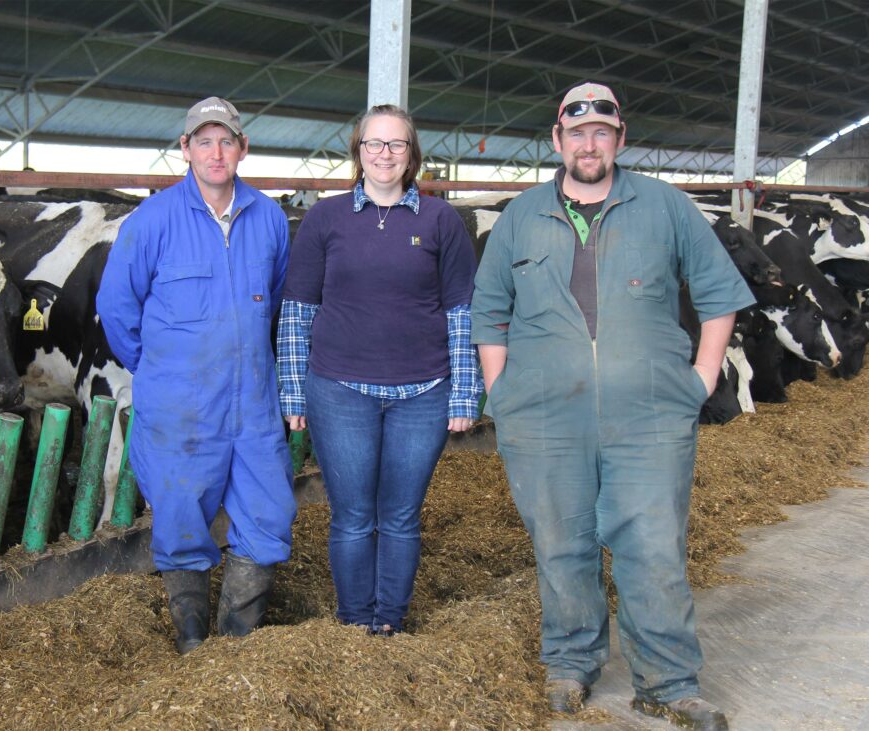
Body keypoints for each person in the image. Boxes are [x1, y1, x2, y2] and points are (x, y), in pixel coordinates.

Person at [471, 82, 754, 731]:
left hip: (651, 414)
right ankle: (571, 661)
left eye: (602, 131)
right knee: (561, 539)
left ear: (620, 139)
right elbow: (489, 311)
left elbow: (718, 292)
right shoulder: (521, 216)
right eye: (578, 132)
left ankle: (668, 681)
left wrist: (703, 376)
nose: (589, 142)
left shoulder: (664, 206)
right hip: (544, 415)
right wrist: (502, 391)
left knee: (654, 544)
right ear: (557, 141)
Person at [97, 97, 295, 654]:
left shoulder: (270, 218)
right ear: (184, 149)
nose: (216, 152)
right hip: (181, 407)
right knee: (182, 516)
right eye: (203, 141)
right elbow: (115, 308)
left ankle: (235, 641)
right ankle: (190, 641)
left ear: (243, 148)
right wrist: (157, 369)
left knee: (269, 514)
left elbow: (273, 301)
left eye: (226, 140)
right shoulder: (152, 220)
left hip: (253, 403)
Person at [277, 104, 481, 636]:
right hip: (340, 388)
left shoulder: (443, 221)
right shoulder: (325, 218)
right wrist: (294, 394)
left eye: (396, 145)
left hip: (424, 391)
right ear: (358, 151)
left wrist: (464, 396)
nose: (384, 154)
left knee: (400, 516)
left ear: (412, 155)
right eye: (374, 144)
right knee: (351, 516)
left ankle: (389, 621)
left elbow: (462, 313)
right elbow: (298, 311)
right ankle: (352, 621)